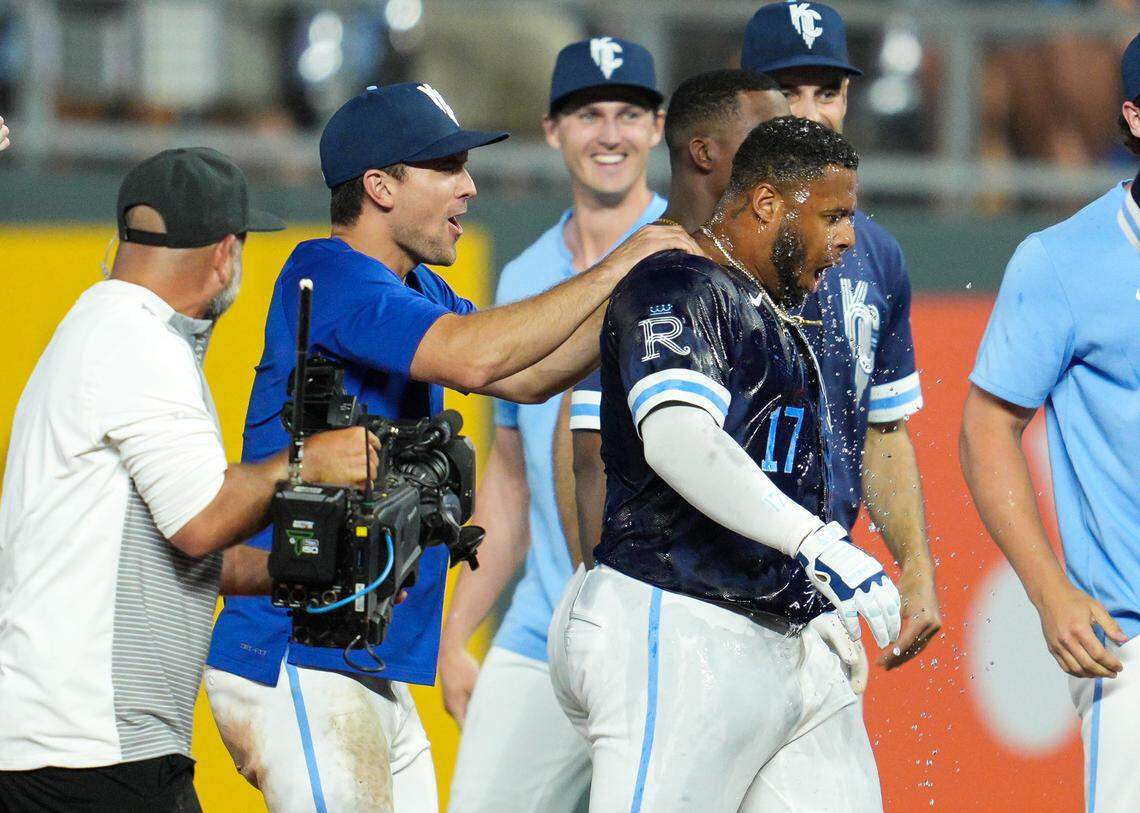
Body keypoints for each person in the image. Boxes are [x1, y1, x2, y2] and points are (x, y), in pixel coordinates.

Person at [204, 83, 697, 813]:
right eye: (444, 167)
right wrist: (623, 263)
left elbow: (528, 374)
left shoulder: (420, 287)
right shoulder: (329, 270)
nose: (468, 186)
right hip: (292, 650)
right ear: (379, 186)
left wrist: (650, 312)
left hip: (363, 660)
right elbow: (476, 359)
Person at [0, 148, 373, 811]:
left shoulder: (102, 327)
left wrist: (305, 573)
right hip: (93, 752)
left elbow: (180, 550)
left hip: (66, 747)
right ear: (226, 254)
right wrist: (310, 461)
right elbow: (201, 517)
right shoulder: (137, 342)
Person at [548, 116, 900, 812]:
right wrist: (817, 543)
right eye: (833, 214)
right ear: (767, 203)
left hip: (780, 636)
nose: (848, 238)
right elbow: (677, 436)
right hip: (673, 619)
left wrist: (808, 585)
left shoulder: (766, 305)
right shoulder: (678, 283)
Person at [441, 37, 669, 813]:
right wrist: (457, 630)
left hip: (662, 639)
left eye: (629, 113)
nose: (610, 133)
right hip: (544, 630)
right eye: (588, 114)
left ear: (659, 127)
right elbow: (509, 484)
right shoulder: (524, 276)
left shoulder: (692, 255)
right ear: (552, 130)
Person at [960, 33, 1140, 813]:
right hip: (1132, 640)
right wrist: (1049, 590)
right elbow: (986, 427)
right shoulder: (1064, 259)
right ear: (1134, 115)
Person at [740, 1, 939, 669]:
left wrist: (914, 565)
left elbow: (880, 430)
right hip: (708, 595)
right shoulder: (699, 248)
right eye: (785, 91)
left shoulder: (876, 255)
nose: (807, 113)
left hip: (821, 603)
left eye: (826, 92)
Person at [565, 69, 794, 570]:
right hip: (669, 603)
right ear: (705, 152)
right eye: (767, 136)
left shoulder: (766, 273)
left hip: (760, 594)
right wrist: (607, 584)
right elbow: (591, 457)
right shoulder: (645, 271)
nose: (785, 153)